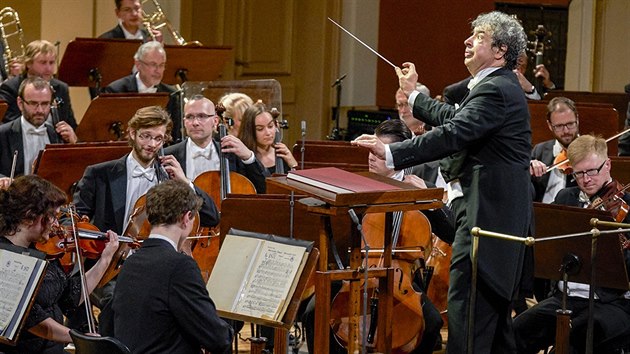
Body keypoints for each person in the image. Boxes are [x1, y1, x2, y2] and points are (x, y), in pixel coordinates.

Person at [354, 11, 531, 353]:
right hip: (491, 220)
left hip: (486, 222)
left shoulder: (496, 89)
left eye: (478, 36)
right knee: (490, 328)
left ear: (500, 51)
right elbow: (455, 118)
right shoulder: (497, 88)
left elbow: (454, 132)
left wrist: (391, 154)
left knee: (469, 320)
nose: (467, 40)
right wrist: (415, 98)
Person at [513, 134, 630, 353]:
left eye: (592, 171)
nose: (586, 179)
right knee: (516, 331)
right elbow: (550, 249)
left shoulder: (626, 206)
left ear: (608, 165)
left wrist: (617, 242)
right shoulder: (566, 198)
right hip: (566, 297)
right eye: (579, 173)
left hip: (611, 302)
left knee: (576, 337)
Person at [110, 179, 233, 354]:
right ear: (185, 218)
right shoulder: (179, 266)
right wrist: (229, 328)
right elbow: (218, 339)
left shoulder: (131, 262)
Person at [0, 175, 119, 354]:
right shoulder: (7, 258)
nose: (57, 225)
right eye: (53, 217)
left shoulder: (42, 252)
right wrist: (78, 337)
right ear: (29, 217)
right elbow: (32, 322)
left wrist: (105, 259)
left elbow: (70, 298)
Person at [164, 94, 267, 193]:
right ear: (184, 121)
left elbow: (264, 187)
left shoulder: (232, 153)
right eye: (190, 117)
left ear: (215, 121)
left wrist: (249, 157)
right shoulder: (168, 155)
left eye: (202, 116)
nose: (195, 123)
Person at [0, 77, 78, 188]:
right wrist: (2, 179)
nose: (40, 110)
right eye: (33, 103)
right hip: (15, 201)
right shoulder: (3, 133)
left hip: (50, 201)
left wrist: (74, 145)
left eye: (45, 104)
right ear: (20, 103)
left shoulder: (59, 135)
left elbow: (73, 172)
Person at [102, 41, 182, 142]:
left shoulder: (172, 94)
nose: (158, 70)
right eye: (153, 65)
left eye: (161, 65)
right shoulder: (116, 90)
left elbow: (174, 135)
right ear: (138, 64)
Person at [0, 40, 77, 129]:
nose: (48, 68)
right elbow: (9, 125)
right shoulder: (11, 88)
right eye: (43, 63)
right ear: (29, 63)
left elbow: (71, 123)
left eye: (51, 62)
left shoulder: (61, 88)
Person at [442, 51, 555, 105]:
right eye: (513, 64)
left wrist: (531, 89)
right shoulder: (455, 92)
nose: (517, 70)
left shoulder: (527, 89)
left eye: (522, 66)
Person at [530, 96, 580, 203]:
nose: (566, 131)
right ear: (549, 125)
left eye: (570, 124)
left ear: (577, 120)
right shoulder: (540, 150)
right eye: (559, 126)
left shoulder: (590, 151)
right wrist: (528, 169)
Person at [239, 101, 298, 174]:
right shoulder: (243, 158)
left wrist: (293, 164)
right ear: (249, 131)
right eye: (260, 129)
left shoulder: (283, 154)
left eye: (270, 126)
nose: (268, 133)